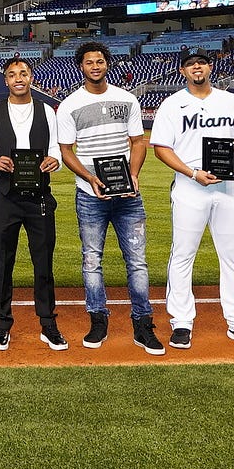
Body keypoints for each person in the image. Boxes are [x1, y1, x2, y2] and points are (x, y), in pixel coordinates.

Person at [150, 49, 234, 351]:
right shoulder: (173, 104)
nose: (196, 67)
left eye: (201, 62)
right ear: (182, 71)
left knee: (232, 255)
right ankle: (181, 322)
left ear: (210, 66)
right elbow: (161, 147)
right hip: (191, 186)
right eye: (190, 64)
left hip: (227, 187)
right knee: (182, 255)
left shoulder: (231, 101)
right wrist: (192, 173)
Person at [55, 41, 162, 355]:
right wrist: (89, 177)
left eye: (100, 61)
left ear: (107, 64)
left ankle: (143, 324)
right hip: (90, 195)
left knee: (138, 262)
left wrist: (134, 173)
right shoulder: (70, 104)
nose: (95, 66)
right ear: (81, 67)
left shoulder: (126, 99)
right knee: (92, 260)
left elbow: (138, 142)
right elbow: (65, 151)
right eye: (89, 62)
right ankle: (98, 319)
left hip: (127, 194)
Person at [0, 57, 65, 351]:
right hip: (5, 197)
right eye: (12, 74)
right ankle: (2, 325)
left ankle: (48, 323)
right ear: (5, 80)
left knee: (44, 263)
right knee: (3, 263)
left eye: (23, 73)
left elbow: (55, 148)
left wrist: (56, 161)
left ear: (31, 78)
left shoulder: (46, 111)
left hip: (39, 197)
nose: (18, 78)